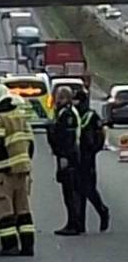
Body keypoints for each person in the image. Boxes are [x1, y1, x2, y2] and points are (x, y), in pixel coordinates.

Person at [0, 84, 35, 256]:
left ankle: (10, 245)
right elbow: (31, 144)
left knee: (3, 208)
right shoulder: (20, 116)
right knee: (23, 208)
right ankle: (28, 246)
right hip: (23, 170)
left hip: (4, 171)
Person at [47, 86, 84, 235]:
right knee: (67, 191)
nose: (58, 100)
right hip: (66, 155)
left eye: (60, 97)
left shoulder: (67, 114)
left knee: (70, 191)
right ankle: (72, 222)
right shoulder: (62, 112)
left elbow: (68, 138)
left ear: (66, 98)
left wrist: (64, 157)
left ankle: (74, 224)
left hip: (69, 157)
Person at [74, 87, 110, 232]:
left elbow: (100, 134)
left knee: (88, 189)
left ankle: (102, 211)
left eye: (78, 100)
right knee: (78, 190)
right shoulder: (74, 114)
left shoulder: (91, 116)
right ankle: (80, 223)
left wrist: (94, 149)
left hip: (87, 157)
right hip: (77, 156)